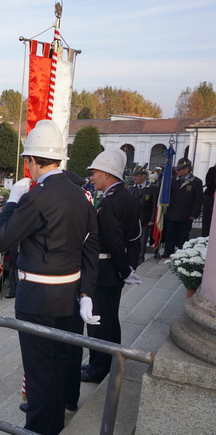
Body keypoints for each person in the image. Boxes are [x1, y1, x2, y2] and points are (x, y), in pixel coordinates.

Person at [0, 119, 99, 435]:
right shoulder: (81, 195)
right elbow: (90, 245)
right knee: (58, 367)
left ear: (33, 162)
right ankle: (52, 428)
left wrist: (12, 201)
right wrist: (87, 293)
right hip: (68, 296)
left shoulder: (36, 197)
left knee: (39, 374)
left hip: (37, 297)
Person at [82, 150, 141, 384]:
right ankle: (102, 361)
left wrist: (123, 270)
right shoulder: (119, 196)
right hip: (110, 268)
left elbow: (114, 241)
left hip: (105, 269)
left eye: (95, 172)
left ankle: (99, 368)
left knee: (100, 321)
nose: (92, 177)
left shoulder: (114, 200)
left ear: (107, 173)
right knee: (108, 319)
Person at [164, 158, 204, 257]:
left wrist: (195, 214)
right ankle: (168, 251)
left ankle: (181, 254)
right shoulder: (172, 181)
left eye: (179, 169)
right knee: (170, 234)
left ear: (186, 170)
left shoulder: (196, 182)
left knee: (183, 235)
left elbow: (198, 200)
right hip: (172, 212)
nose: (176, 171)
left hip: (186, 213)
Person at [128, 165, 159, 266]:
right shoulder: (131, 189)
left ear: (143, 176)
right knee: (132, 240)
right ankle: (132, 257)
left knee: (142, 241)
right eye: (134, 176)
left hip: (145, 219)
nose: (134, 178)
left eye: (136, 175)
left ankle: (140, 258)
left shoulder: (152, 188)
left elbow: (154, 205)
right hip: (132, 219)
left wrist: (152, 219)